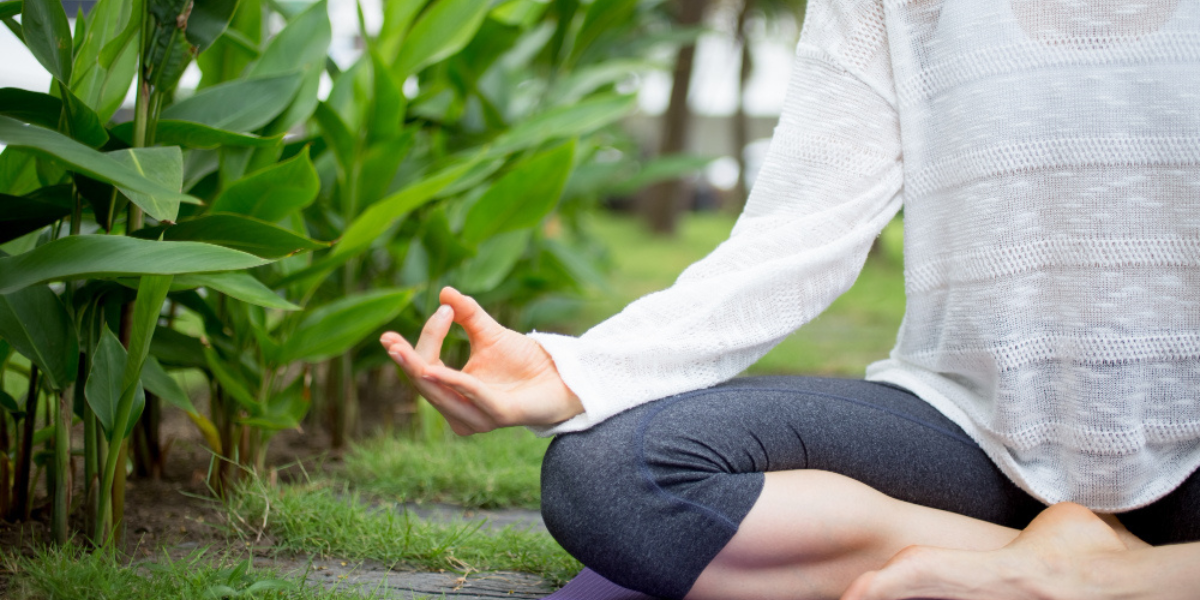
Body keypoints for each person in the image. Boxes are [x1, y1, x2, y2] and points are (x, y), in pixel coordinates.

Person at [380, 0, 1200, 598]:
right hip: (973, 427)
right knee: (610, 474)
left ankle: (1128, 578)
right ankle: (1065, 560)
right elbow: (804, 229)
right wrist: (575, 373)